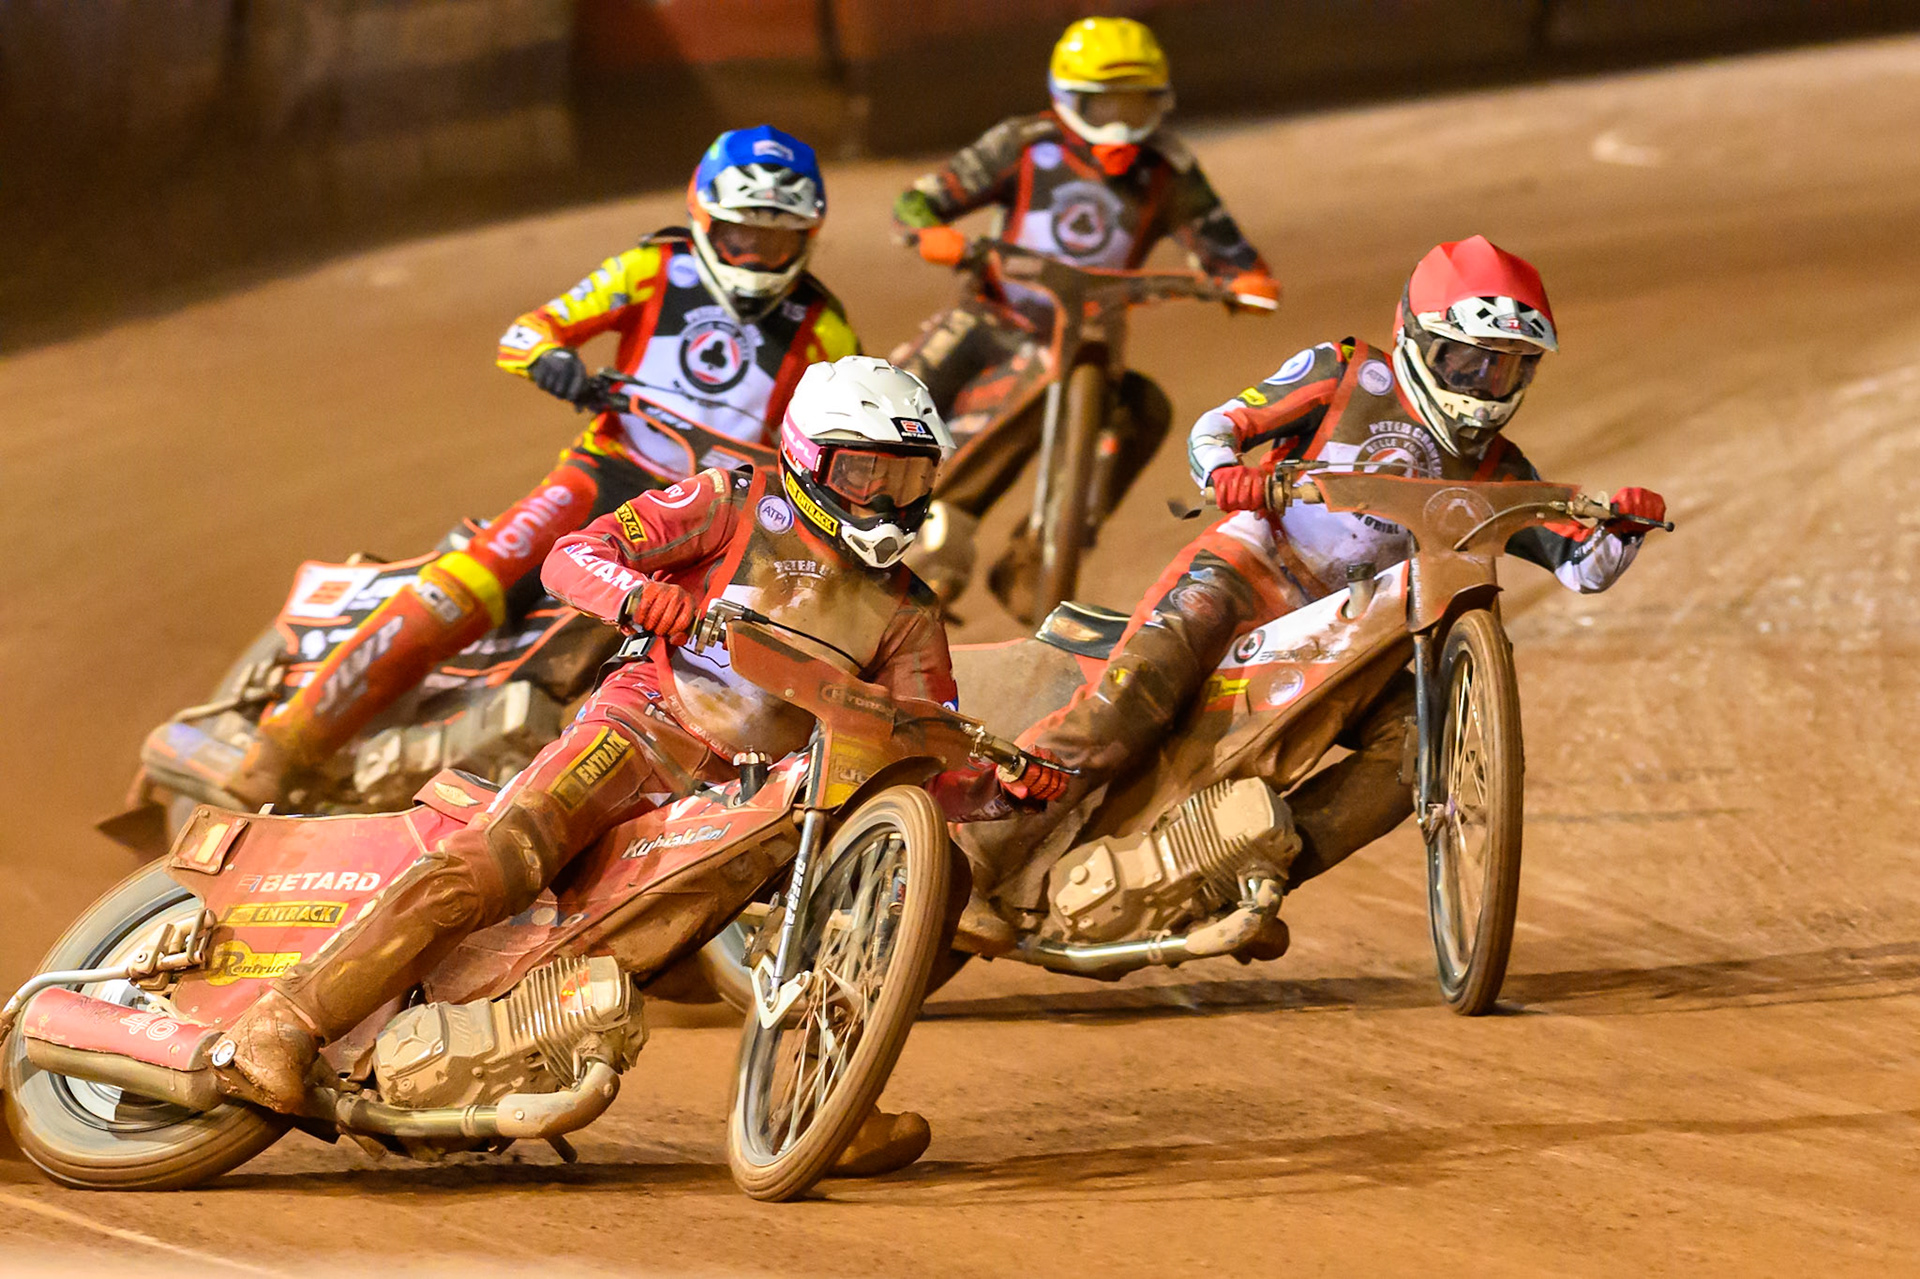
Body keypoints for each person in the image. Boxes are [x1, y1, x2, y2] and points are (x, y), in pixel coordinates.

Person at [214, 356, 1070, 1176]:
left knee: (879, 901)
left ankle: (825, 1099)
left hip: (756, 794)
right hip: (644, 723)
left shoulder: (910, 611)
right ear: (810, 459)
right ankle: (282, 1023)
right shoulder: (733, 503)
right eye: (864, 475)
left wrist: (998, 787)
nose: (887, 501)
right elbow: (570, 554)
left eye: (909, 481)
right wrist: (637, 593)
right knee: (507, 853)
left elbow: (926, 740)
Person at [957, 236, 1667, 943]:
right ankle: (980, 847)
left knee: (1422, 751)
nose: (1484, 385)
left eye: (1508, 368)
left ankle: (1237, 882)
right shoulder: (1346, 371)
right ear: (1415, 338)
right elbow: (1219, 426)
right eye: (1468, 360)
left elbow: (1584, 568)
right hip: (1253, 569)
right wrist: (1226, 472)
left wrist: (1623, 528)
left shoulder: (1501, 470)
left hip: (1367, 637)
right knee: (1140, 687)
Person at [224, 125, 859, 806]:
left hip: (715, 513)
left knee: (767, 638)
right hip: (607, 471)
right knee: (475, 576)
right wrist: (553, 361)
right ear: (704, 217)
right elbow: (528, 331)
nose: (759, 255)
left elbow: (838, 442)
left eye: (779, 239)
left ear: (810, 236)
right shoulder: (654, 269)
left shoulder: (825, 327)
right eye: (742, 236)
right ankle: (285, 743)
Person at [888, 15, 1279, 606]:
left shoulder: (1168, 172)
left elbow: (1231, 253)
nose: (1120, 124)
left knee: (1144, 411)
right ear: (1065, 100)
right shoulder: (1024, 145)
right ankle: (894, 524)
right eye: (1103, 107)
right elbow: (919, 199)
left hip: (1090, 339)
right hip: (989, 318)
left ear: (1161, 103)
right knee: (887, 406)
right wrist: (927, 232)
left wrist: (1243, 280)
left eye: (1136, 104)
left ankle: (1039, 552)